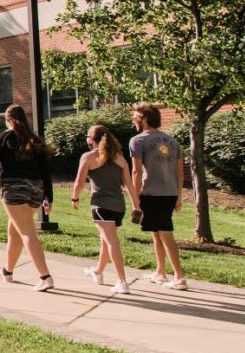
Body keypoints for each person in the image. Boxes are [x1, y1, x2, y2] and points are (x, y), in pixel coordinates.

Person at [0, 104, 56, 292]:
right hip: (36, 190)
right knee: (15, 230)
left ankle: (45, 276)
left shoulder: (3, 138)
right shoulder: (34, 140)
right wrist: (48, 197)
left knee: (27, 232)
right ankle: (7, 271)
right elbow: (46, 171)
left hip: (13, 189)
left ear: (8, 120)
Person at [70, 125, 138, 295]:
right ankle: (98, 272)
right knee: (105, 239)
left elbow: (79, 182)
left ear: (91, 140)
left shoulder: (89, 157)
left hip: (101, 205)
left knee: (111, 241)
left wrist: (75, 198)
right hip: (118, 207)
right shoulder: (119, 158)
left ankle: (122, 282)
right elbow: (129, 185)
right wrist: (136, 205)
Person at [130, 103, 188, 289]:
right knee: (156, 232)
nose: (134, 119)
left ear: (144, 119)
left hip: (152, 193)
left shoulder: (138, 141)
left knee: (165, 233)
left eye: (136, 116)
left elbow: (137, 172)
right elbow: (180, 173)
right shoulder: (172, 141)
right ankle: (161, 272)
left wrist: (135, 196)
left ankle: (179, 277)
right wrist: (178, 195)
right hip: (170, 192)